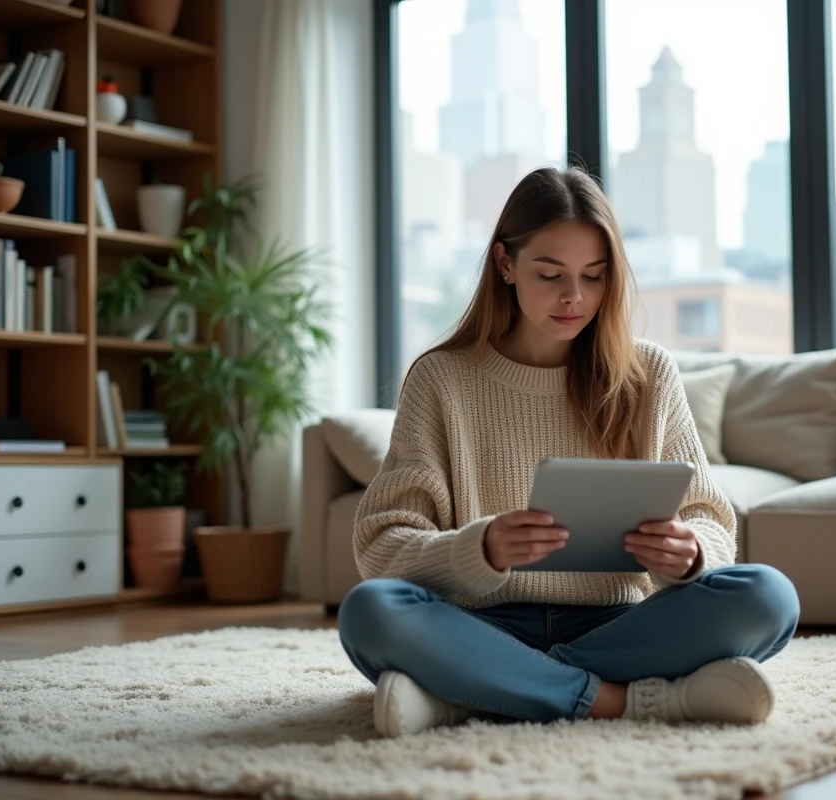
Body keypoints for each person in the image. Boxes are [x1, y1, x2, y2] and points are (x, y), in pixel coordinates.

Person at [337, 166, 800, 738]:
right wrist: (479, 548)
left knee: (768, 597)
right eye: (550, 274)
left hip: (619, 627)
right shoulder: (441, 380)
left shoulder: (649, 374)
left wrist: (691, 554)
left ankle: (472, 692)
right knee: (370, 611)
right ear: (505, 264)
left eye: (594, 276)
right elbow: (381, 545)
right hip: (481, 623)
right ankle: (619, 700)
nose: (574, 297)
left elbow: (711, 522)